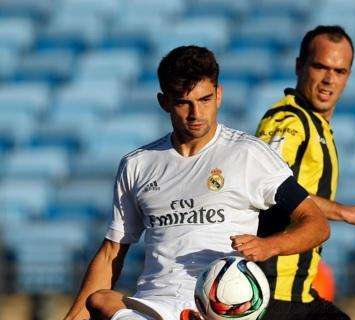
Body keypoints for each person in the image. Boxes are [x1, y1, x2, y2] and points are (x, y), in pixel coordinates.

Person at [63, 45, 330, 320]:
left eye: (205, 100)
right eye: (183, 102)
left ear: (219, 95)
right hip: (152, 307)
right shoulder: (137, 165)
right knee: (101, 300)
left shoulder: (248, 154)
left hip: (217, 307)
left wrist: (268, 246)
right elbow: (110, 254)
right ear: (164, 101)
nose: (196, 114)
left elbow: (316, 224)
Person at [255, 25, 355, 320]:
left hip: (299, 294)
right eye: (320, 67)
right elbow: (269, 190)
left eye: (340, 71)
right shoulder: (288, 122)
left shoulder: (318, 126)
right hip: (272, 293)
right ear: (299, 66)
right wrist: (347, 212)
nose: (328, 80)